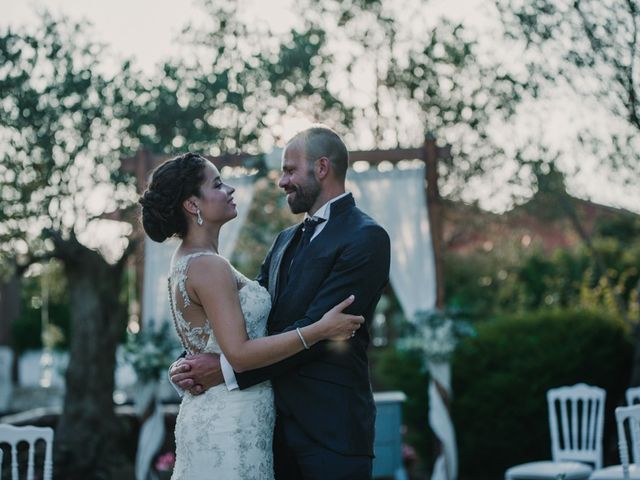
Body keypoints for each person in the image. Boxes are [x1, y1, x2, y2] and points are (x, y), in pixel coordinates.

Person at [171, 126, 391, 479]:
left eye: (290, 171)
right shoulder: (285, 240)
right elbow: (245, 314)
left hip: (330, 432)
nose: (282, 182)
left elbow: (324, 332)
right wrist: (188, 361)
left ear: (321, 168)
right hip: (269, 431)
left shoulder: (366, 238)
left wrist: (225, 369)